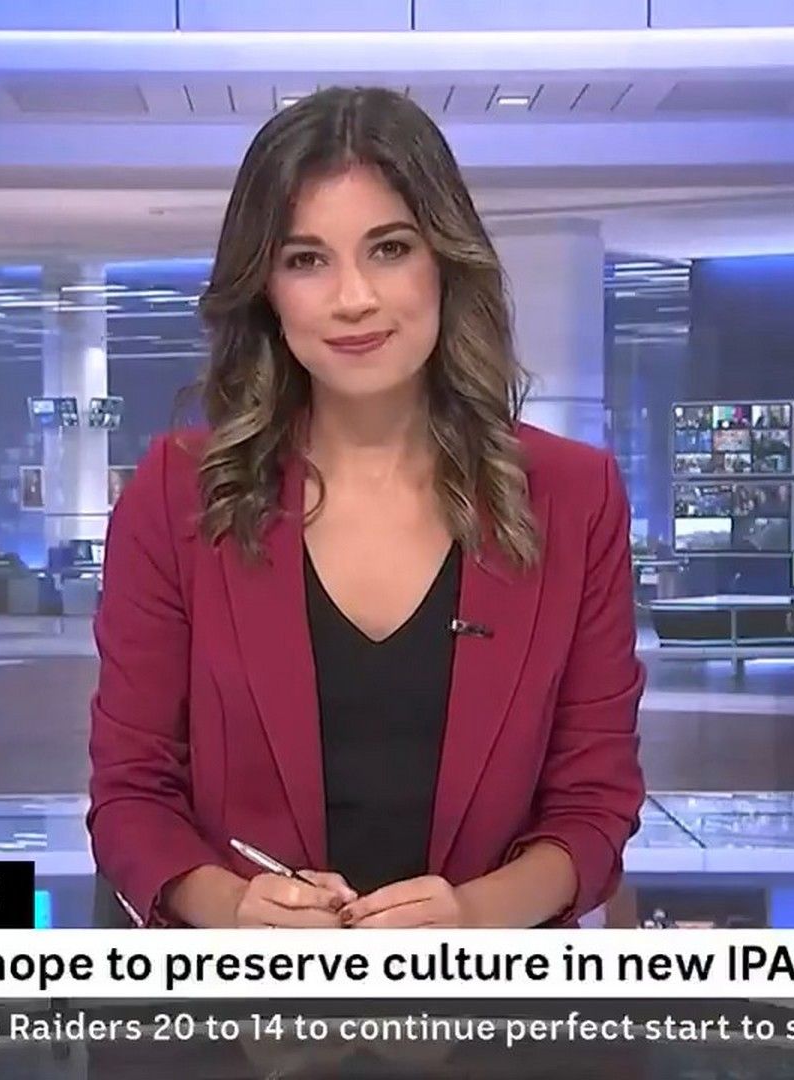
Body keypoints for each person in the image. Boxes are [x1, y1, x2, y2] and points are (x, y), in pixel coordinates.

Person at [86, 86, 646, 931]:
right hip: (244, 999)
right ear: (265, 288)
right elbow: (130, 793)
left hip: (490, 1002)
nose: (353, 298)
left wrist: (474, 918)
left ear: (445, 260)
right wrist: (234, 908)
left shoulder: (574, 497)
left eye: (389, 248)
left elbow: (595, 805)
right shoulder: (175, 496)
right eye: (306, 260)